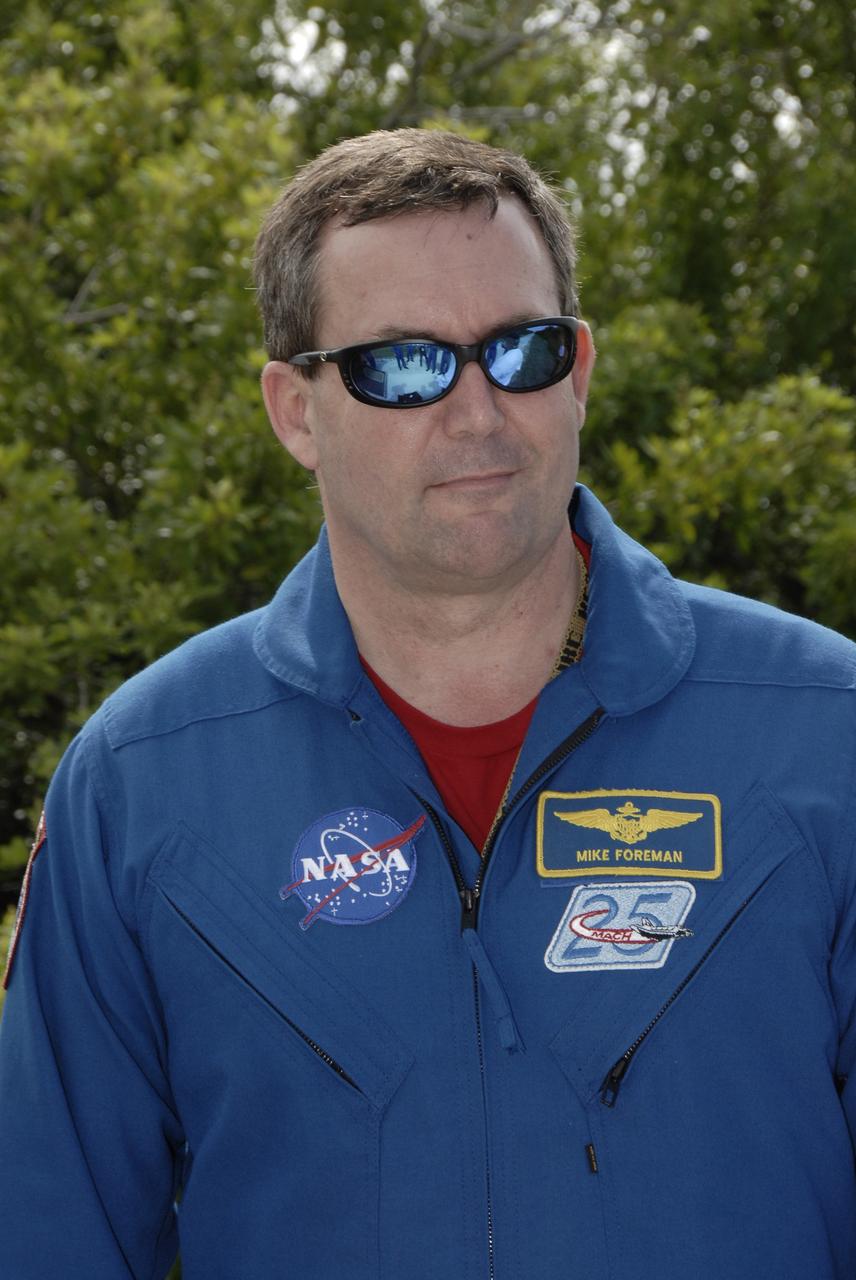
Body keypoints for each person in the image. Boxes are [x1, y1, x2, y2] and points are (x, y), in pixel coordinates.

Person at [1, 128, 855, 1280]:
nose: (475, 410)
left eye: (521, 351)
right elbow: (52, 1234)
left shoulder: (822, 732)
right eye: (401, 364)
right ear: (294, 410)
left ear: (582, 370)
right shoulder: (139, 785)